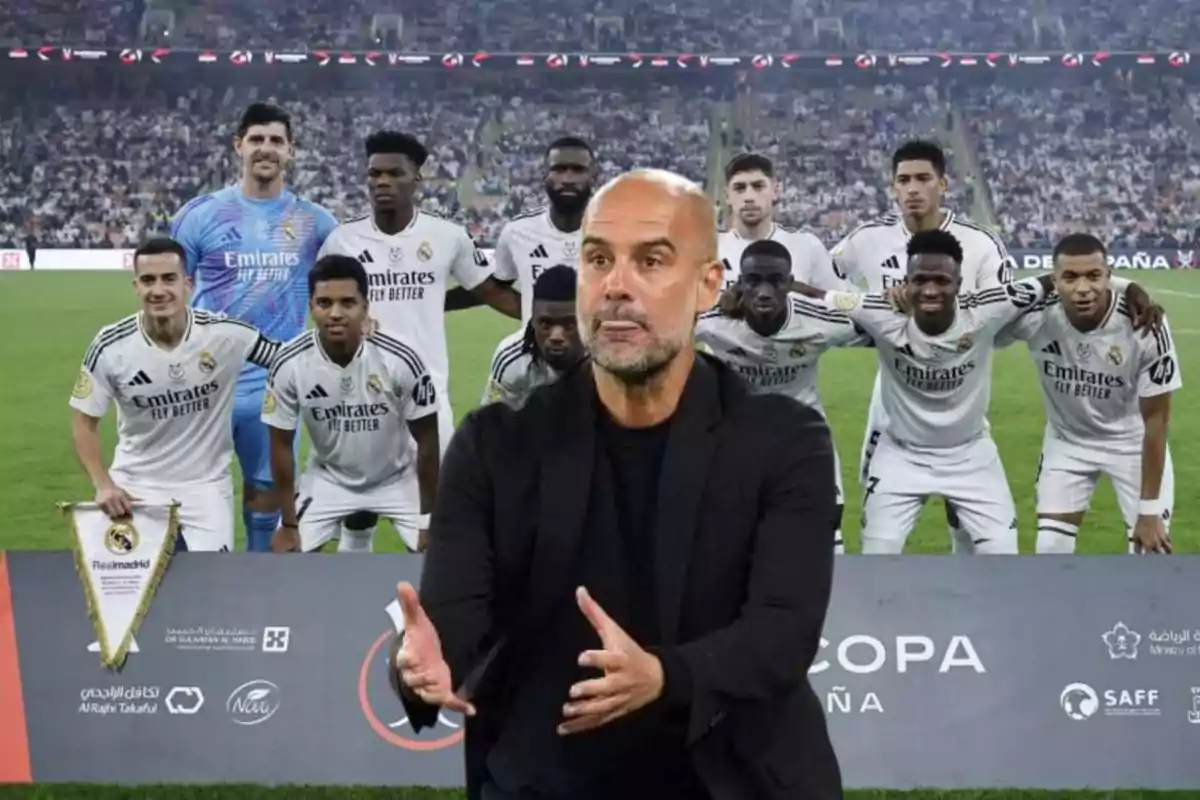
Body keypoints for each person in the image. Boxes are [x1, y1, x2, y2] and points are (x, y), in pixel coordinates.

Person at [389, 169, 842, 800]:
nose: (616, 287)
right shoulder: (496, 445)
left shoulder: (786, 442)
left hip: (735, 775)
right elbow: (449, 627)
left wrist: (662, 675)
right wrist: (418, 669)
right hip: (547, 778)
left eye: (651, 260)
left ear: (708, 284)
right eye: (597, 259)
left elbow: (782, 634)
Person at [317, 130, 518, 548]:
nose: (382, 182)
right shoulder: (343, 240)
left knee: (432, 521)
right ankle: (350, 607)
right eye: (374, 174)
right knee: (357, 518)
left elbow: (490, 291)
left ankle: (429, 610)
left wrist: (547, 312)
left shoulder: (447, 237)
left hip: (427, 398)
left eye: (394, 173)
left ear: (417, 179)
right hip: (358, 398)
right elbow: (323, 308)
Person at [830, 139, 1014, 553]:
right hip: (895, 389)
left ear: (943, 184)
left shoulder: (980, 244)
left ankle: (961, 561)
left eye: (923, 179)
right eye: (903, 180)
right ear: (893, 188)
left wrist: (931, 305)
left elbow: (1000, 317)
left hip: (959, 384)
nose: (912, 189)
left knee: (965, 503)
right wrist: (871, 317)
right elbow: (827, 278)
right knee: (881, 507)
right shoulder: (867, 241)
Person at [169, 102, 339, 552]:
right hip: (206, 381)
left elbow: (345, 291)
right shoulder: (199, 215)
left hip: (275, 382)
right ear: (238, 145)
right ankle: (190, 595)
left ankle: (258, 584)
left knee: (267, 490)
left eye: (277, 141)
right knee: (190, 492)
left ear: (292, 151)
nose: (267, 148)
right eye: (257, 139)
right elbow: (169, 291)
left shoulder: (316, 223)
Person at [69, 237, 280, 552]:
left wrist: (357, 331)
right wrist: (103, 485)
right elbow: (84, 423)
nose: (158, 290)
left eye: (169, 279)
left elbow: (292, 359)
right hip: (135, 486)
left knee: (211, 590)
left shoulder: (226, 335)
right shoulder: (111, 346)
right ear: (136, 287)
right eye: (148, 280)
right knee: (130, 594)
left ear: (188, 284)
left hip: (205, 489)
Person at [996, 233, 1179, 555]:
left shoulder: (1144, 322)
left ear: (1109, 274)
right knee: (1051, 546)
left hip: (1131, 443)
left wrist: (1149, 511)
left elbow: (1157, 418)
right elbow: (990, 311)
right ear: (1053, 280)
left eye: (1094, 276)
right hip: (1068, 442)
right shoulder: (1036, 314)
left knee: (1152, 549)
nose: (1083, 289)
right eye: (1069, 278)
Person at [697, 239, 872, 554]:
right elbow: (663, 329)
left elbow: (875, 320)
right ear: (740, 283)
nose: (764, 292)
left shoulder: (820, 320)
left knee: (827, 528)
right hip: (737, 439)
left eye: (776, 281)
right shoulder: (713, 320)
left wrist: (817, 294)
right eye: (753, 281)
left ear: (791, 283)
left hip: (802, 435)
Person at [262, 255, 440, 554]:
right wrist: (289, 525)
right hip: (329, 478)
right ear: (311, 307)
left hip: (396, 477)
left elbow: (427, 439)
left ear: (365, 307)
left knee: (440, 557)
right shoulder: (289, 362)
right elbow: (280, 445)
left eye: (347, 302)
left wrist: (428, 521)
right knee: (284, 556)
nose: (335, 313)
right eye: (324, 303)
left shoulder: (399, 358)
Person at [480, 137, 597, 324]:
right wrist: (531, 313)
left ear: (594, 175)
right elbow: (497, 288)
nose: (567, 179)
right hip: (535, 351)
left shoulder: (617, 232)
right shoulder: (517, 232)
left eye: (578, 170)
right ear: (544, 174)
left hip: (597, 351)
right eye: (558, 169)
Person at [716, 153, 844, 294]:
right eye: (740, 188)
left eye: (758, 186)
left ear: (775, 191)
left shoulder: (806, 247)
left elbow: (839, 304)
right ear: (727, 196)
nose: (749, 197)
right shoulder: (708, 251)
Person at [481, 265, 586, 410]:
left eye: (569, 325)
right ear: (533, 319)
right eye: (546, 324)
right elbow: (492, 425)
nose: (556, 336)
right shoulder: (512, 361)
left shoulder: (607, 354)